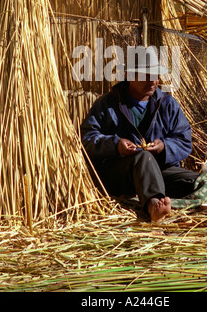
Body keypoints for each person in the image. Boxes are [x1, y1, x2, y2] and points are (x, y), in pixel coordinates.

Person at [81, 46, 199, 221]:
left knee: (196, 181)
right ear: (129, 76)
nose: (152, 81)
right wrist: (115, 146)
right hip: (121, 173)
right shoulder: (108, 104)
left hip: (158, 170)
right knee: (144, 157)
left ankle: (166, 196)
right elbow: (87, 138)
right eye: (146, 76)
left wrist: (164, 147)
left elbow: (183, 140)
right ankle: (153, 205)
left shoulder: (167, 104)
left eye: (155, 76)